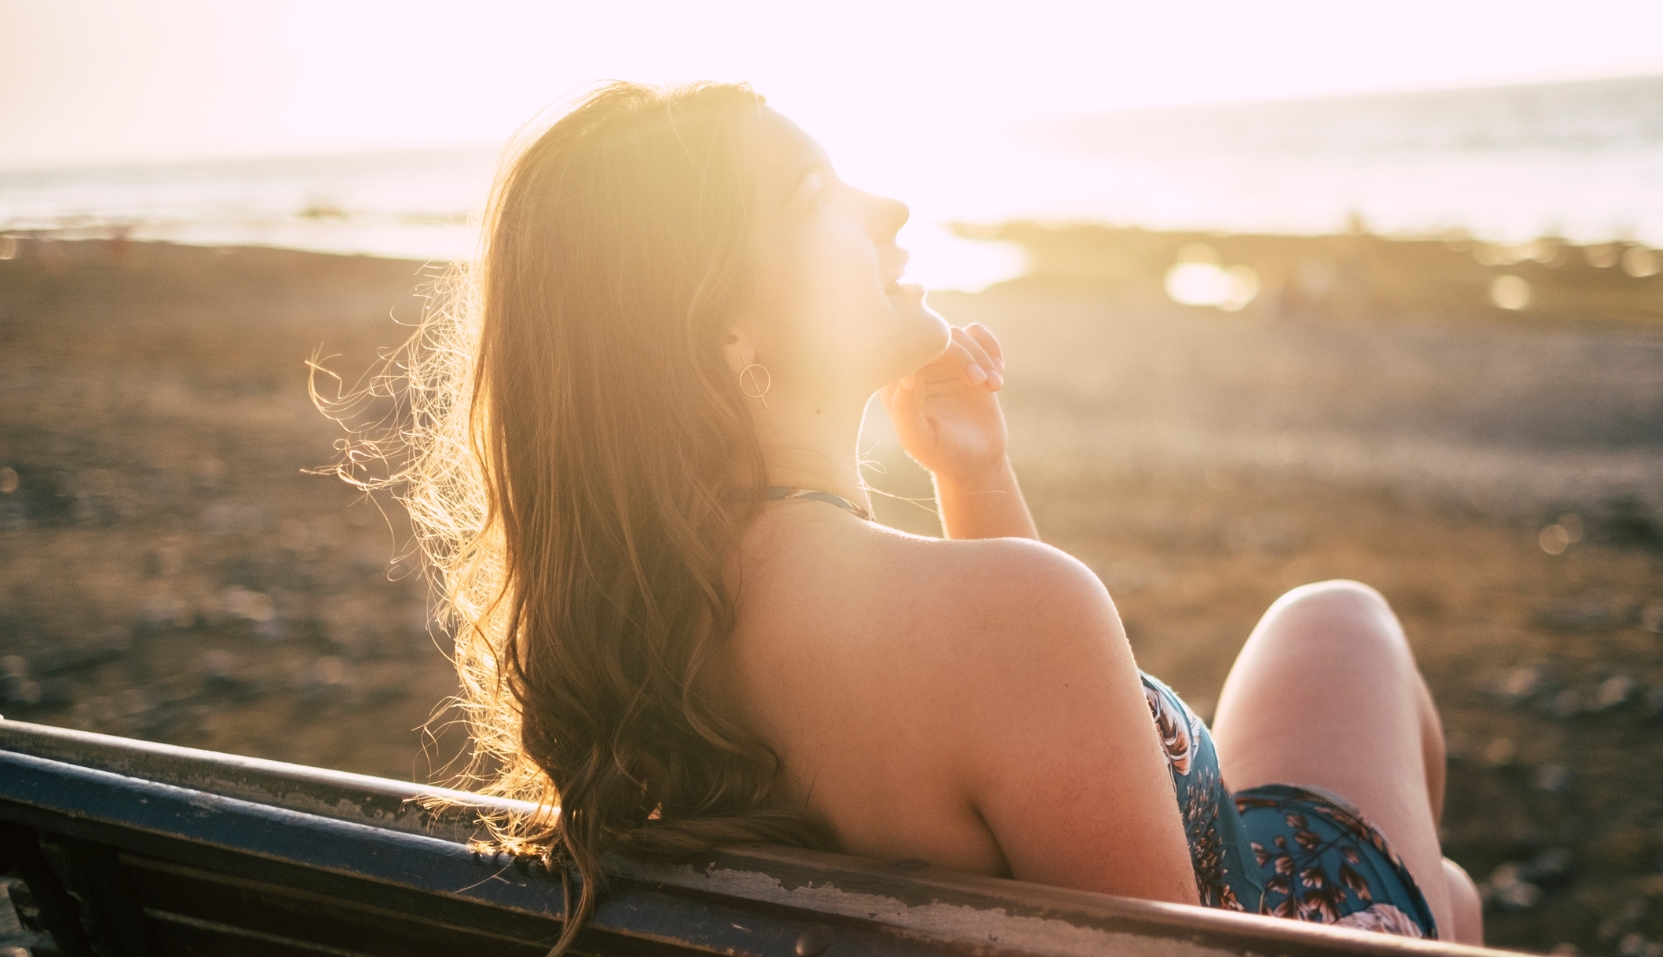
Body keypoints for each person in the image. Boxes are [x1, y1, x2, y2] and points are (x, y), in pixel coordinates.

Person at [341, 82, 1482, 955]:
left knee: (1450, 870)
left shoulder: (642, 664)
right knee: (1339, 622)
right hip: (1274, 911)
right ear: (726, 338)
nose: (888, 210)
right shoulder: (1010, 622)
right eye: (815, 200)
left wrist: (973, 475)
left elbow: (1012, 725)